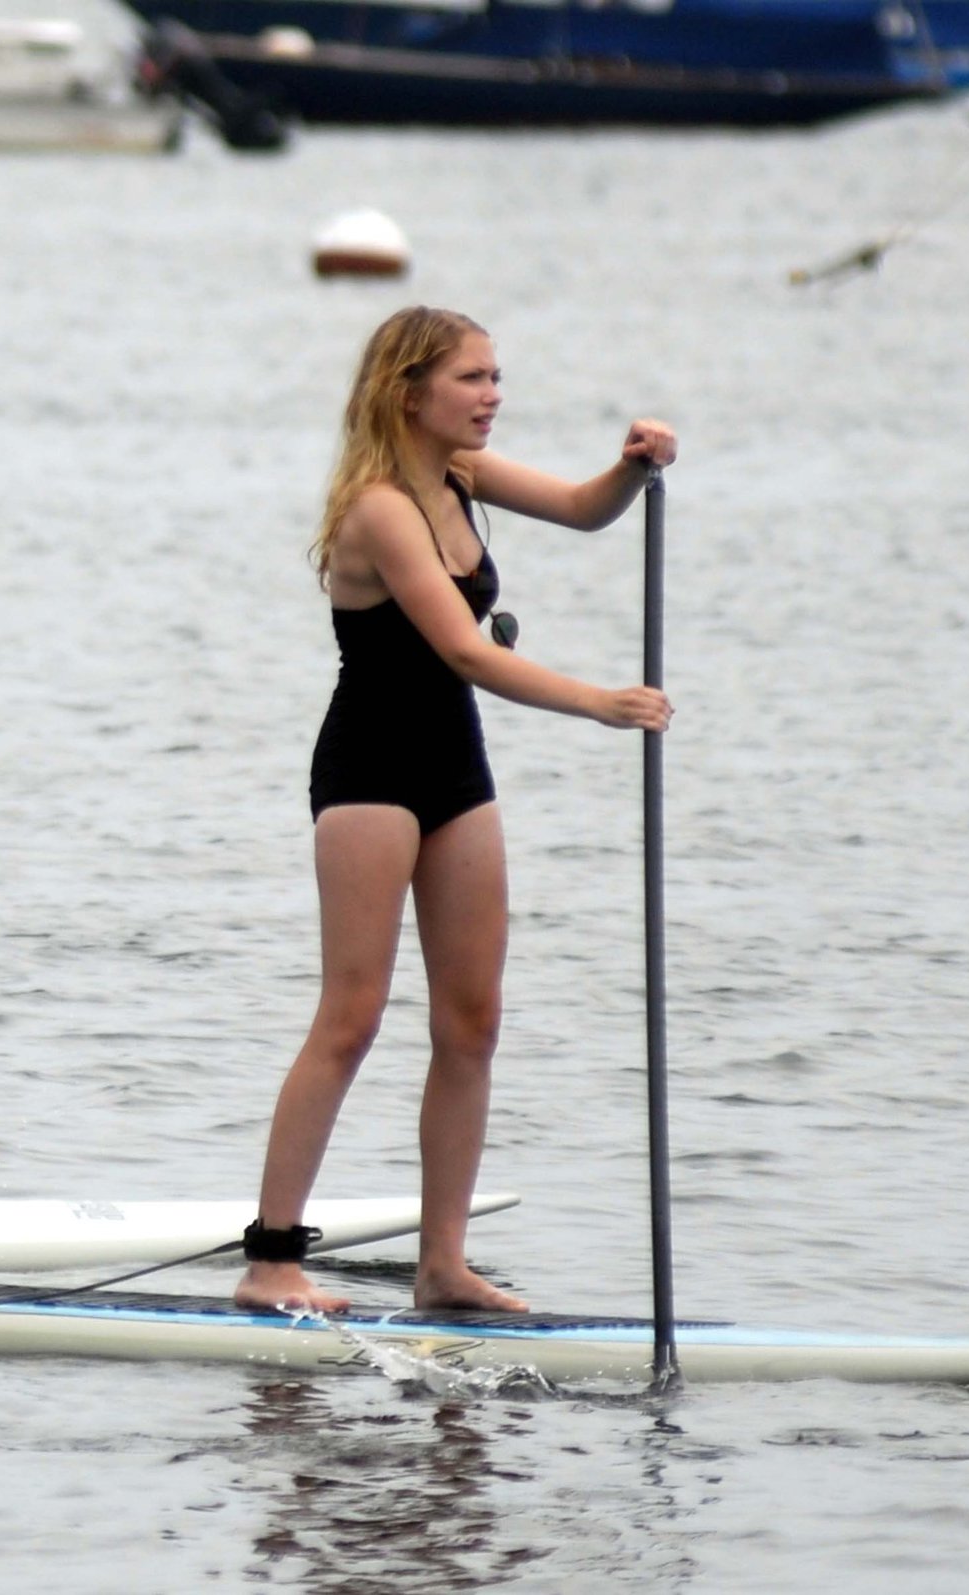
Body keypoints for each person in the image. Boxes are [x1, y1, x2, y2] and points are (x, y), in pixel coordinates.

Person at [237, 306, 675, 1313]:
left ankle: (442, 1263)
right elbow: (466, 652)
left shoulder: (460, 479)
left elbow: (578, 505)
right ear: (408, 393)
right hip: (371, 772)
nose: (491, 395)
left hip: (454, 767)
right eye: (471, 379)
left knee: (470, 1020)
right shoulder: (382, 506)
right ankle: (269, 1261)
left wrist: (632, 468)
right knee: (349, 1015)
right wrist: (598, 702)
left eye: (494, 376)